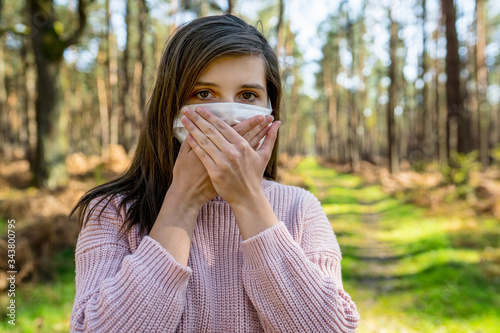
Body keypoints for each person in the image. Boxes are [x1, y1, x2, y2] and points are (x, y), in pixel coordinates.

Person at [69, 14, 359, 333]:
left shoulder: (299, 210)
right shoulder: (112, 212)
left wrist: (248, 200)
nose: (226, 116)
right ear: (171, 106)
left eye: (248, 95)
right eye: (203, 93)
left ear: (270, 109)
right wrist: (182, 203)